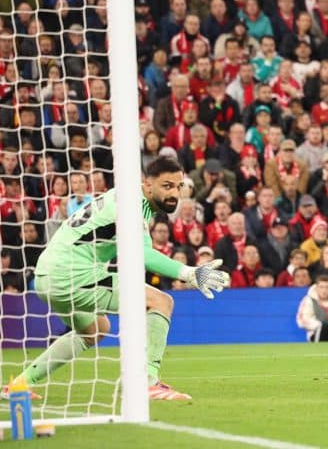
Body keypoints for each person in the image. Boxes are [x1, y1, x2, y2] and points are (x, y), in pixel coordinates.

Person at [1, 156, 228, 401]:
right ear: (148, 184)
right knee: (161, 302)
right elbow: (142, 254)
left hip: (47, 275)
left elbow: (141, 247)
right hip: (71, 274)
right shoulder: (130, 204)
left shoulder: (125, 197)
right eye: (167, 186)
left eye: (178, 186)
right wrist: (189, 273)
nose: (174, 193)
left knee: (95, 330)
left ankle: (20, 384)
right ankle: (148, 382)